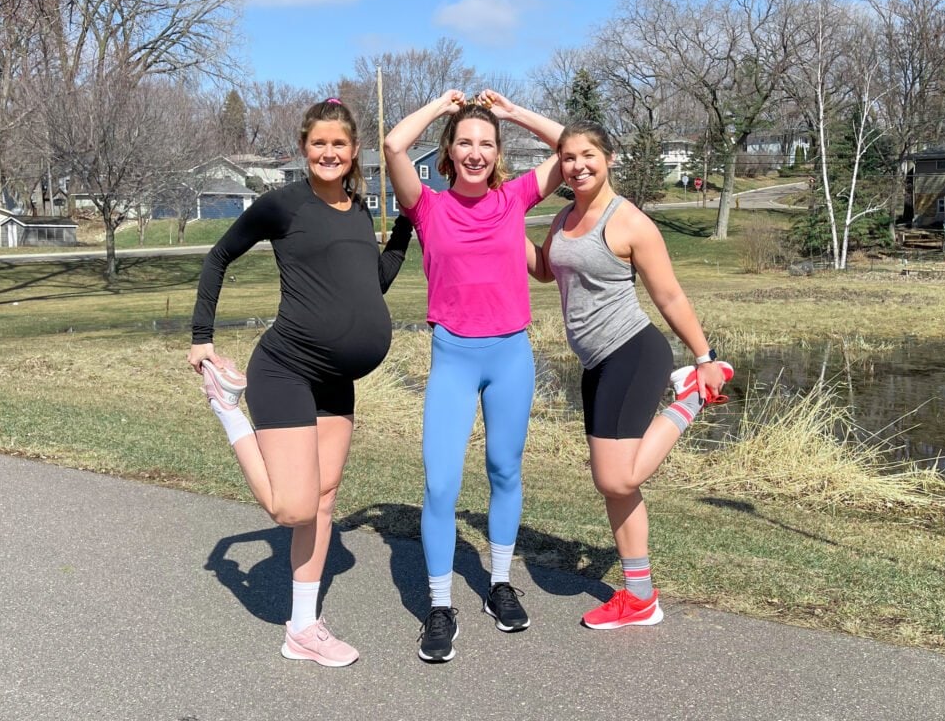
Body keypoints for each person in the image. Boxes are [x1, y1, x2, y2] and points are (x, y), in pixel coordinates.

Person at [187, 98, 413, 667]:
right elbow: (219, 257)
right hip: (287, 368)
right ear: (304, 148)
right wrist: (201, 335)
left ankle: (303, 628)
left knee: (324, 502)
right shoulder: (282, 205)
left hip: (337, 379)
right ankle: (227, 409)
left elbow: (371, 283)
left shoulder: (361, 209)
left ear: (353, 149)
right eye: (319, 144)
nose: (330, 153)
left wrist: (407, 224)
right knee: (292, 510)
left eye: (339, 144)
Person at [525, 121, 734, 630]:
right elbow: (546, 270)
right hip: (595, 362)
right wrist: (503, 222)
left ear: (610, 157)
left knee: (616, 475)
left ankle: (689, 397)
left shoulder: (630, 223)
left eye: (589, 154)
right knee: (616, 489)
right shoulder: (563, 219)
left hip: (634, 353)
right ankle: (639, 597)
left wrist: (704, 356)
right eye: (569, 157)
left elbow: (669, 296)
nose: (578, 165)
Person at [383, 89, 563, 662]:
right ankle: (439, 607)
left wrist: (511, 113)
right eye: (466, 141)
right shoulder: (428, 207)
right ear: (449, 150)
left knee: (505, 471)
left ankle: (500, 583)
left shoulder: (515, 200)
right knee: (440, 483)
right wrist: (442, 107)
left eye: (486, 143)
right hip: (454, 357)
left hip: (511, 355)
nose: (477, 152)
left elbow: (573, 147)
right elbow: (391, 144)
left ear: (498, 152)